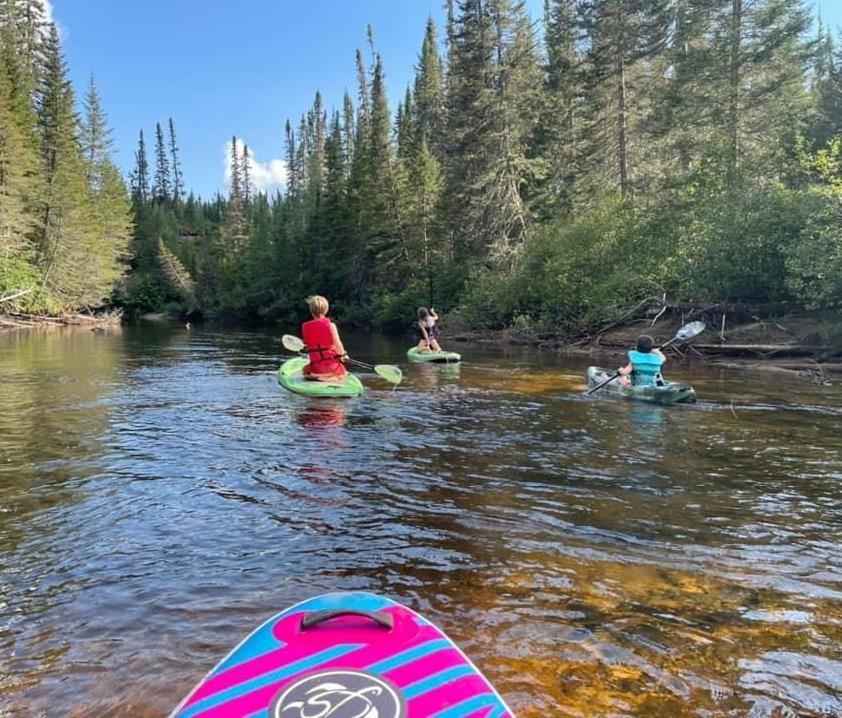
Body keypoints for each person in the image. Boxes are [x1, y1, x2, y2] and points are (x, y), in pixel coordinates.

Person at [301, 295, 348, 382]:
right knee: (344, 372)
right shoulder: (331, 326)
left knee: (305, 370)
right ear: (326, 310)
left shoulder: (305, 327)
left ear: (311, 311)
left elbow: (309, 346)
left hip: (316, 369)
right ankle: (331, 378)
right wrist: (344, 355)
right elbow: (339, 347)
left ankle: (318, 377)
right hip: (333, 369)